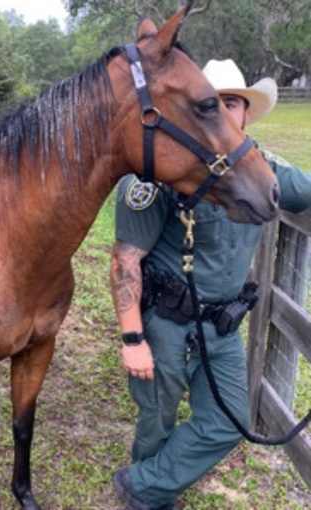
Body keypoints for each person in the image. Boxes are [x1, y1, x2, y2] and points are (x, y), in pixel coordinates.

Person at [110, 59, 311, 510]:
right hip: (164, 320)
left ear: (244, 113)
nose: (225, 110)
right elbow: (126, 260)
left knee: (227, 421)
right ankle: (153, 499)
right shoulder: (157, 174)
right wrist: (132, 337)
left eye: (234, 102)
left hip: (221, 327)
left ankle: (142, 486)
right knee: (157, 419)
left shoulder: (262, 169)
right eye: (215, 102)